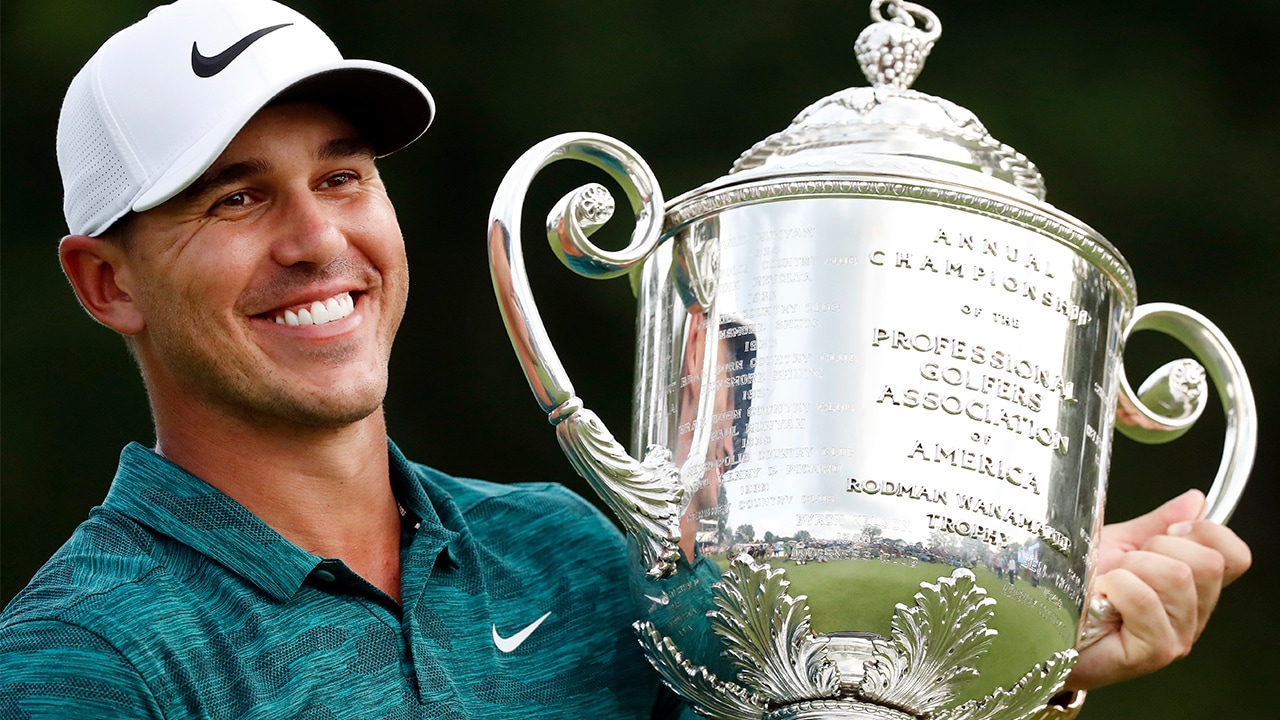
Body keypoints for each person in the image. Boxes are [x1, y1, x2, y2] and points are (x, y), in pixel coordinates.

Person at [0, 1, 1252, 718]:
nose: (318, 242)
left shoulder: (572, 557)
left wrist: (1008, 656)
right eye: (234, 200)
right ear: (108, 281)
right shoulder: (86, 659)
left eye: (342, 177)